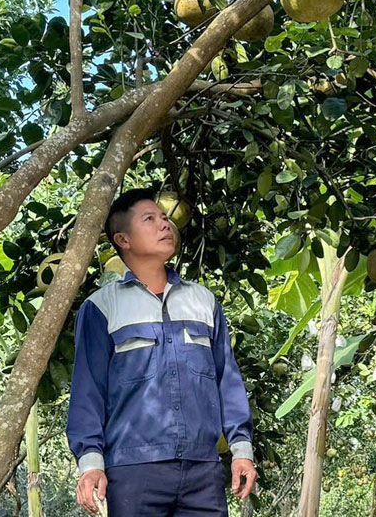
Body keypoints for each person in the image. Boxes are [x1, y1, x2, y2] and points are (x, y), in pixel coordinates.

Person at [67, 188, 257, 516]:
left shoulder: (203, 302)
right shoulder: (101, 308)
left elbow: (227, 381)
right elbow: (88, 393)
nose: (165, 224)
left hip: (203, 470)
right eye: (149, 219)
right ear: (123, 240)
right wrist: (91, 464)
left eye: (165, 217)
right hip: (133, 471)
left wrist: (242, 450)